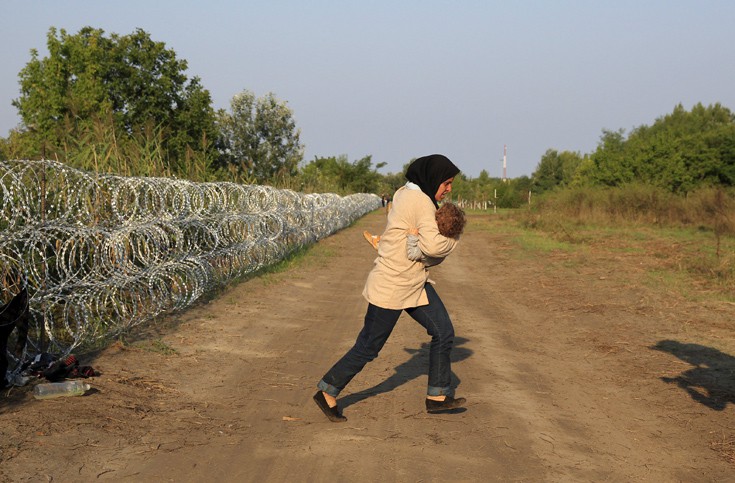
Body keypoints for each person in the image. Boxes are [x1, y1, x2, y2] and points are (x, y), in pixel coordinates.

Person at [314, 154, 466, 422]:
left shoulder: (405, 193)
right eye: (447, 182)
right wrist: (455, 238)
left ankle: (438, 396)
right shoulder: (419, 201)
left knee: (443, 331)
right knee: (369, 346)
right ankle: (327, 391)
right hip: (393, 284)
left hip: (413, 283)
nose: (449, 189)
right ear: (433, 178)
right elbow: (433, 246)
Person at [363, 201, 466, 266]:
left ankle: (380, 243)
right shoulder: (447, 237)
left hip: (411, 258)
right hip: (425, 258)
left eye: (436, 219)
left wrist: (412, 238)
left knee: (406, 233)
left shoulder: (431, 247)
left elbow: (412, 254)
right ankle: (393, 216)